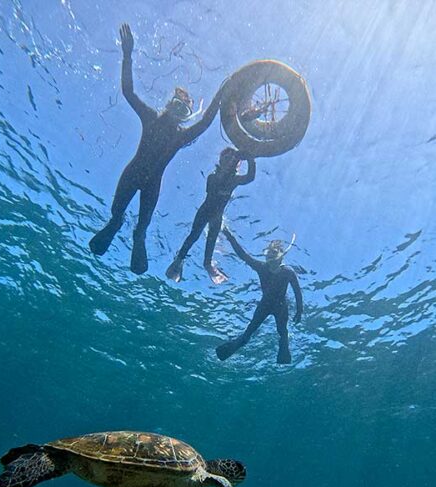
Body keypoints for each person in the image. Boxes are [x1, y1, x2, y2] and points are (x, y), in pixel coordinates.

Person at [89, 23, 225, 274]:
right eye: (176, 104)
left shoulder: (181, 135)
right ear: (168, 104)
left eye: (184, 110)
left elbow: (205, 122)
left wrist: (222, 93)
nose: (178, 111)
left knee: (142, 227)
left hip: (151, 184)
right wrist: (127, 55)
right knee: (116, 215)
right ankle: (116, 224)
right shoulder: (151, 118)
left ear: (185, 116)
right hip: (134, 175)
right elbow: (128, 92)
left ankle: (137, 237)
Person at [166, 147, 256, 284]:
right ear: (220, 161)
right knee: (194, 235)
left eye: (232, 158)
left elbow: (250, 177)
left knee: (212, 240)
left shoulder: (234, 180)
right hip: (205, 211)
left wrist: (250, 158)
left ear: (237, 164)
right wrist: (236, 159)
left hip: (217, 215)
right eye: (226, 158)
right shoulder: (212, 177)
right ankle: (179, 259)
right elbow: (217, 185)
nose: (229, 160)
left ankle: (207, 263)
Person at [216, 227, 303, 364]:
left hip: (281, 307)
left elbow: (297, 291)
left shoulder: (288, 272)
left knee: (283, 333)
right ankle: (237, 344)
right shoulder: (261, 267)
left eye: (274, 253)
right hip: (265, 305)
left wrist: (299, 309)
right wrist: (228, 234)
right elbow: (242, 254)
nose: (270, 257)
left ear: (282, 257)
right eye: (268, 254)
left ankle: (283, 350)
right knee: (248, 333)